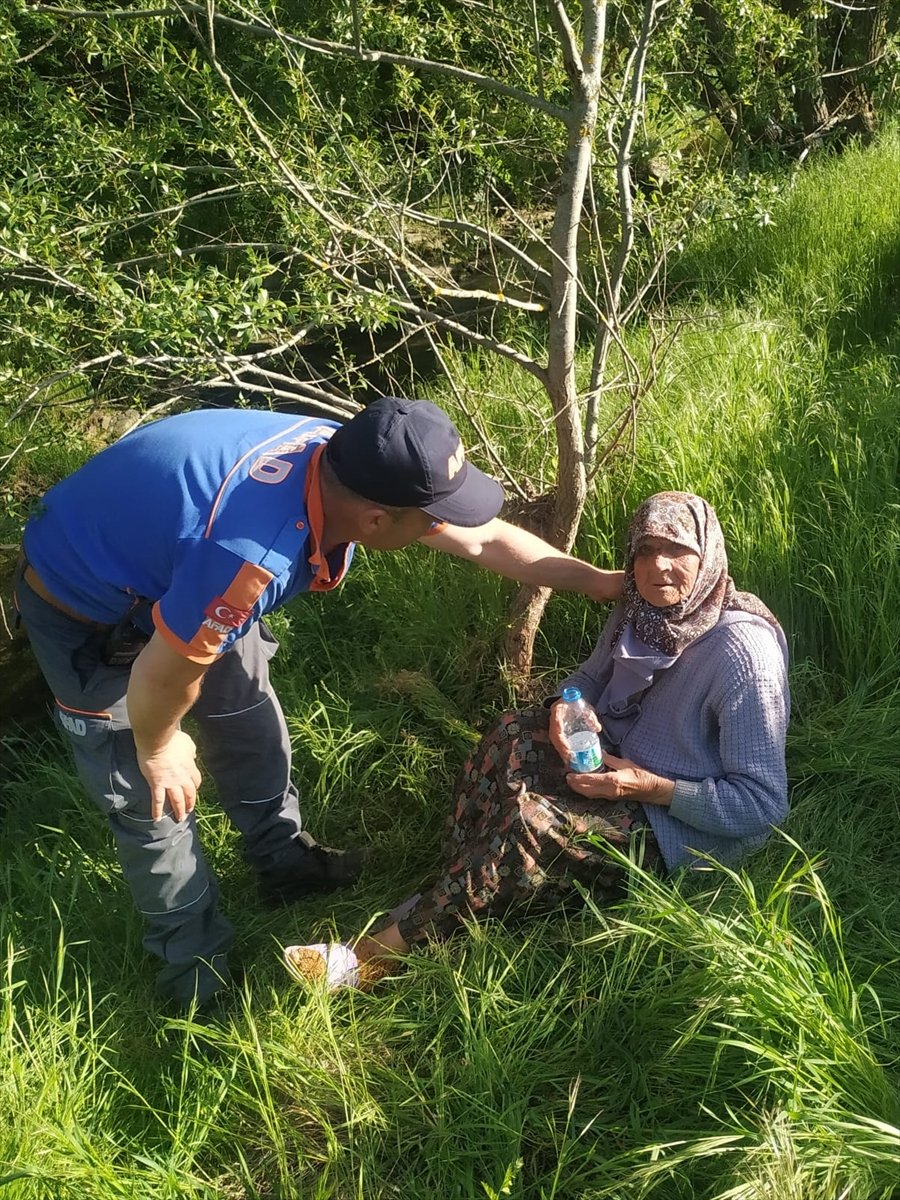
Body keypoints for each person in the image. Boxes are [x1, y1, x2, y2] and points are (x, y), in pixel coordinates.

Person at [14, 397, 624, 1010]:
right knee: (154, 799)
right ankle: (195, 977)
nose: (447, 526)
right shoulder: (248, 557)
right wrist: (160, 744)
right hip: (97, 618)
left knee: (249, 719)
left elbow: (482, 539)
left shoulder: (365, 456)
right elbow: (158, 673)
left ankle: (283, 863)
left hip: (181, 573)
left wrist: (599, 581)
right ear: (376, 522)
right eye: (434, 516)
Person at [284, 491, 790, 991]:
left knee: (532, 824)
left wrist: (648, 788)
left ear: (707, 555)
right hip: (612, 766)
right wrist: (563, 707)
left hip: (675, 824)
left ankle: (371, 957)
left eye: (678, 550)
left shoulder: (742, 654)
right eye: (644, 549)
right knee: (512, 731)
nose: (658, 565)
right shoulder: (640, 610)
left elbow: (763, 805)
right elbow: (589, 679)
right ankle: (457, 884)